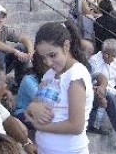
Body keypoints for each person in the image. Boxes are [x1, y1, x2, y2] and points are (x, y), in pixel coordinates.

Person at [25, 20, 93, 154]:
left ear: (66, 46)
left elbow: (76, 125)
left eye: (52, 55)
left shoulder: (76, 76)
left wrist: (41, 127)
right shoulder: (49, 74)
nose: (48, 62)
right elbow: (35, 105)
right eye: (43, 58)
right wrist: (31, 108)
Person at [13, 52, 49, 129]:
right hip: (23, 112)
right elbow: (43, 100)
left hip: (38, 110)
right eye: (44, 61)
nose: (49, 63)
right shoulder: (28, 79)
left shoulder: (49, 75)